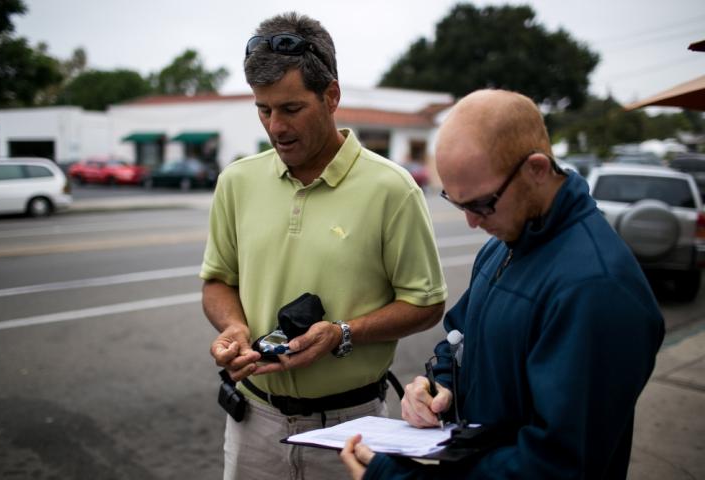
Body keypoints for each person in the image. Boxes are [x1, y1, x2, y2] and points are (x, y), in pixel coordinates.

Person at [340, 89, 665, 479]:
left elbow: (557, 466)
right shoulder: (504, 245)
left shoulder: (598, 288)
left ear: (537, 170)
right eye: (457, 203)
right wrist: (435, 386)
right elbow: (460, 339)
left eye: (481, 203)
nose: (472, 223)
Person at [199, 12, 447, 480]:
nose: (275, 127)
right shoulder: (236, 181)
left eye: (291, 109)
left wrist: (343, 333)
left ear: (331, 96)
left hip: (352, 430)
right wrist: (232, 327)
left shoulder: (392, 189)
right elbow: (217, 280)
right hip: (253, 422)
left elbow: (426, 303)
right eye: (263, 109)